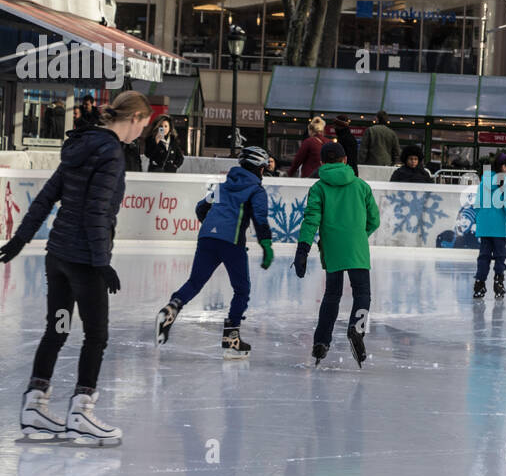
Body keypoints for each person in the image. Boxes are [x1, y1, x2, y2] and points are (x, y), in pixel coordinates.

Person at [0, 90, 152, 445]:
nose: (138, 135)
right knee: (96, 335)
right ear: (134, 119)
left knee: (58, 329)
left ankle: (34, 408)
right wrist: (102, 264)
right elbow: (97, 212)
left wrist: (22, 238)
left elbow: (48, 195)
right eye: (141, 127)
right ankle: (81, 412)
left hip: (59, 260)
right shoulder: (111, 153)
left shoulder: (81, 145)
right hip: (84, 263)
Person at [155, 146, 274, 358]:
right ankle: (231, 340)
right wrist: (266, 245)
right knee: (241, 290)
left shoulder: (221, 187)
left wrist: (212, 228)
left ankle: (172, 308)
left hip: (207, 238)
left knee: (195, 282)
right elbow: (260, 218)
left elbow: (201, 208)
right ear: (259, 169)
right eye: (264, 168)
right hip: (231, 243)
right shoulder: (256, 190)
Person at [293, 142, 380, 367]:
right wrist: (360, 235)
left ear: (322, 162)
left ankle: (321, 342)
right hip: (357, 247)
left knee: (332, 295)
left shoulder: (319, 188)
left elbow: (311, 219)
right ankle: (357, 329)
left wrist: (303, 249)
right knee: (362, 292)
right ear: (345, 160)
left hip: (331, 247)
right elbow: (375, 220)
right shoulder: (361, 186)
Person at [473, 152, 506, 299]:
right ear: (503, 167)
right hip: (499, 228)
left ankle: (479, 284)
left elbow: (477, 204)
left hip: (485, 227)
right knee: (500, 256)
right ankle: (498, 283)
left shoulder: (484, 181)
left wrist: (481, 219)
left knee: (484, 257)